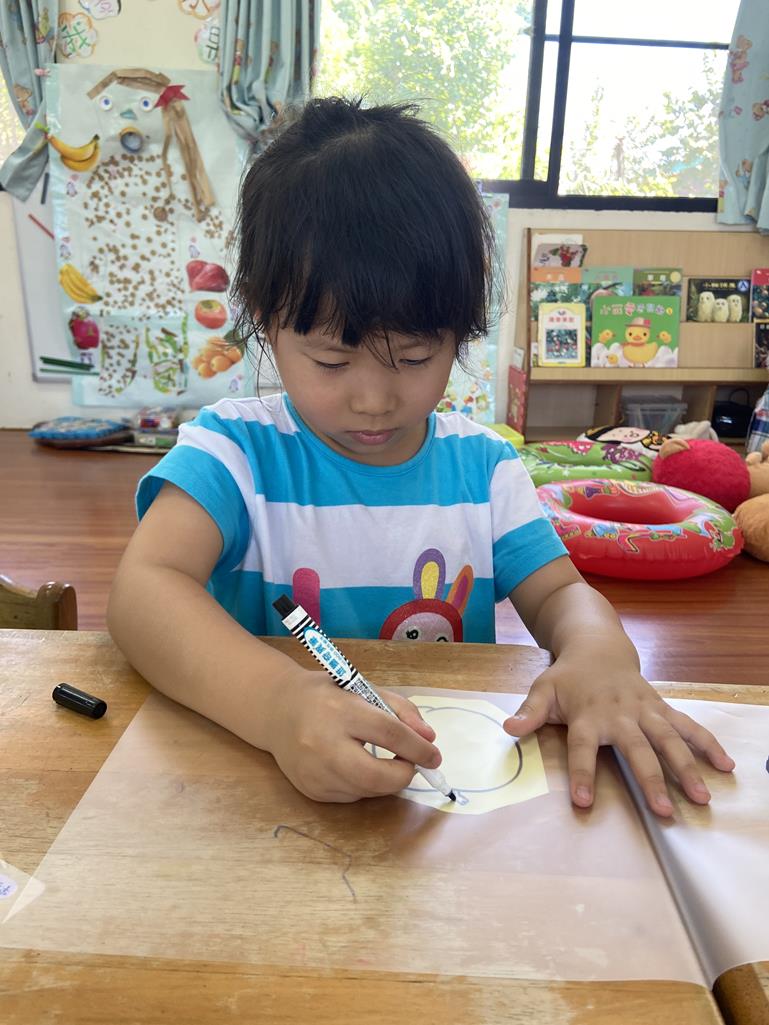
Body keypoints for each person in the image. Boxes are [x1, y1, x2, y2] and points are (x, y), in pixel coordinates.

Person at [107, 97, 733, 815]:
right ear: (261, 315)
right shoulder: (233, 452)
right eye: (331, 361)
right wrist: (276, 704)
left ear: (461, 330)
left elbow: (560, 596)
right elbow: (143, 592)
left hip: (446, 800)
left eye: (413, 357)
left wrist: (599, 653)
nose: (374, 400)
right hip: (256, 792)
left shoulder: (483, 468)